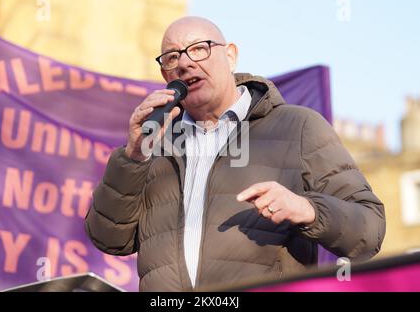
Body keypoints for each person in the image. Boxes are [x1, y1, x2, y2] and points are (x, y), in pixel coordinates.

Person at [85, 16, 386, 291]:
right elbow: (109, 238)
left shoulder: (298, 126)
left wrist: (306, 209)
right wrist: (133, 156)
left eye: (199, 49)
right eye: (172, 57)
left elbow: (369, 231)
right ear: (165, 74)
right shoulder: (157, 143)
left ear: (230, 55)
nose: (185, 63)